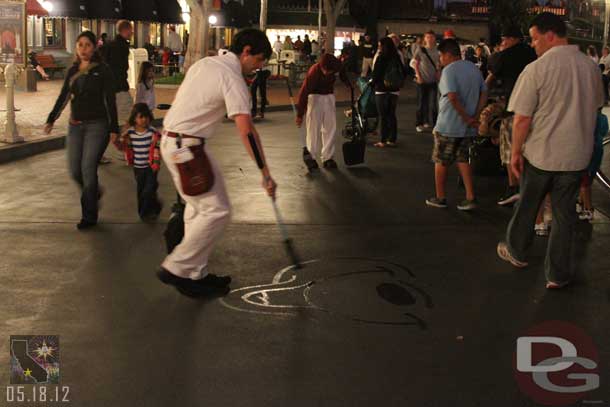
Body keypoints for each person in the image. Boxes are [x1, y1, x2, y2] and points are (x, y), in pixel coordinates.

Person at [158, 28, 277, 298]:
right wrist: (265, 174)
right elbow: (246, 130)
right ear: (245, 52)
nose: (259, 67)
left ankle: (195, 274)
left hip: (178, 143)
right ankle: (176, 267)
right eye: (258, 60)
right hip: (186, 148)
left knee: (198, 209)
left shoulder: (207, 63)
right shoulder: (232, 77)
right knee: (218, 210)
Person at [496, 13, 604, 289]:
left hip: (541, 155)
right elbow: (595, 109)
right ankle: (557, 274)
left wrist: (516, 152)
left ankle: (518, 252)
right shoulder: (590, 67)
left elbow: (522, 118)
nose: (532, 45)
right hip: (576, 156)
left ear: (550, 35)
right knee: (564, 215)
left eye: (534, 38)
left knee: (528, 205)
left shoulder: (537, 69)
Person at [44, 31, 119, 230]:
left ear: (94, 47)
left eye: (87, 45)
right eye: (80, 45)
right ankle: (93, 193)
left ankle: (89, 215)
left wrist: (114, 128)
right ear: (76, 48)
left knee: (88, 168)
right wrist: (51, 119)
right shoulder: (73, 71)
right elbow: (63, 97)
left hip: (97, 125)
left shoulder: (103, 70)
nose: (83, 49)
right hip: (75, 126)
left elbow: (110, 101)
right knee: (75, 170)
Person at [425, 38, 487, 211]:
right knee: (463, 159)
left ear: (447, 54)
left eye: (441, 56)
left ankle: (440, 197)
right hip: (468, 128)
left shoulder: (448, 71)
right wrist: (474, 115)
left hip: (448, 125)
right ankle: (470, 197)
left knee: (441, 160)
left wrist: (466, 117)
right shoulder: (474, 69)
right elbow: (484, 93)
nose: (440, 60)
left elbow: (452, 97)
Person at [485, 26, 537, 207]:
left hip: (513, 109)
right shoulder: (532, 53)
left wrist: (500, 52)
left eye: (504, 39)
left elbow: (491, 64)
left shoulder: (506, 55)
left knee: (510, 152)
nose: (502, 43)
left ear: (513, 39)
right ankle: (527, 188)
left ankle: (514, 187)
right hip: (534, 110)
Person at [296, 54, 343, 169]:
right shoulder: (314, 72)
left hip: (329, 97)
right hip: (314, 97)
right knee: (313, 129)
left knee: (330, 128)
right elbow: (303, 93)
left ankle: (328, 157)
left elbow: (342, 72)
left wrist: (348, 83)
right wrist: (300, 114)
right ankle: (311, 157)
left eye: (330, 71)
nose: (327, 73)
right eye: (326, 70)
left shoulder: (335, 67)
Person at [119, 103, 162, 221]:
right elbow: (121, 144)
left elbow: (158, 146)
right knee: (141, 190)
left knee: (147, 190)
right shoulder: (130, 133)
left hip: (151, 167)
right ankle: (147, 210)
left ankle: (146, 213)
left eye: (146, 117)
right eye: (141, 117)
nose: (144, 120)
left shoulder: (152, 132)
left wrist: (157, 162)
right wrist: (122, 138)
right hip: (138, 167)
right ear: (134, 118)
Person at [101, 20, 134, 164]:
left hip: (110, 88)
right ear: (125, 30)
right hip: (120, 87)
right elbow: (122, 68)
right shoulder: (121, 46)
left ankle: (98, 153)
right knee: (131, 117)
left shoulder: (109, 45)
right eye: (131, 30)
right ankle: (124, 149)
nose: (132, 33)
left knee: (109, 122)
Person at [372, 37, 406, 147]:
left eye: (379, 45)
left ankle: (383, 139)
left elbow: (376, 74)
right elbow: (403, 71)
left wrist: (372, 83)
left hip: (381, 89)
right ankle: (392, 139)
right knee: (391, 114)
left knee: (383, 115)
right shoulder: (397, 56)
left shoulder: (381, 57)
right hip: (394, 90)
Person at [413, 30, 440, 132]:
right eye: (428, 37)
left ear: (434, 38)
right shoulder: (421, 50)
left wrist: (438, 71)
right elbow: (416, 64)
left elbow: (439, 63)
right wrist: (418, 76)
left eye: (431, 37)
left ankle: (435, 124)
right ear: (425, 38)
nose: (429, 39)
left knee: (433, 104)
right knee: (421, 103)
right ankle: (419, 122)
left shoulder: (438, 50)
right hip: (422, 81)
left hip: (433, 81)